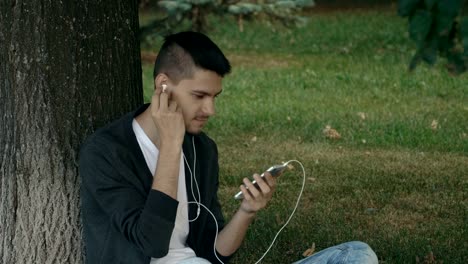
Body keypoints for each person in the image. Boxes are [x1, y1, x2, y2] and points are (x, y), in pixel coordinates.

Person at [79, 31, 378, 264]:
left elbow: (214, 253)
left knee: (357, 254)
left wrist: (247, 211)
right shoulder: (107, 152)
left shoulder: (202, 150)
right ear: (163, 86)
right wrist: (171, 144)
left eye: (215, 97)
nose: (210, 110)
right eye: (199, 95)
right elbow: (152, 243)